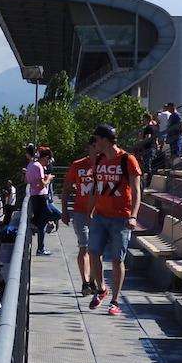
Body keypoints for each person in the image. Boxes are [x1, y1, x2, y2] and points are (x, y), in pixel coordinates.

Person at [87, 123, 142, 316]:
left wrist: (134, 215)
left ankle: (115, 301)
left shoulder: (128, 160)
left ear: (105, 140)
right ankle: (102, 288)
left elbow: (136, 190)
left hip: (121, 217)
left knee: (118, 259)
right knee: (93, 253)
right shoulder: (100, 160)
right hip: (101, 215)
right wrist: (90, 210)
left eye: (97, 139)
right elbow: (96, 187)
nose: (95, 143)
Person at [64, 137, 99, 296]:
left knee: (96, 249)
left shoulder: (105, 166)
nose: (97, 149)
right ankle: (85, 282)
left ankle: (93, 280)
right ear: (89, 147)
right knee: (83, 246)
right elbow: (66, 188)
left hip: (100, 213)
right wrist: (64, 210)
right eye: (94, 146)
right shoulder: (77, 165)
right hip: (80, 211)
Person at [25, 146, 53, 256]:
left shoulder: (31, 165)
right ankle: (35, 222)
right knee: (55, 214)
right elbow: (42, 185)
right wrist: (49, 178)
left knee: (43, 223)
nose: (49, 162)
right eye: (48, 159)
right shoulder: (39, 166)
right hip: (40, 196)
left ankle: (41, 247)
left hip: (35, 195)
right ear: (45, 157)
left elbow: (27, 180)